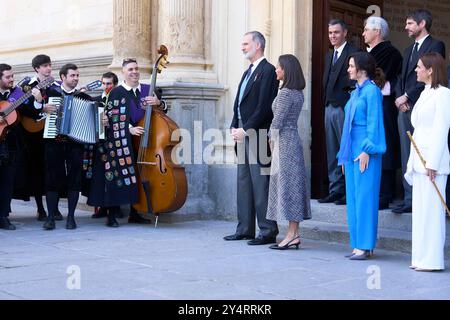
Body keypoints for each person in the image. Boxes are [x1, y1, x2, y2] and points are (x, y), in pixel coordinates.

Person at [87, 59, 164, 227]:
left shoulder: (148, 90)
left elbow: (162, 111)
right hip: (122, 141)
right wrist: (128, 128)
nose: (134, 71)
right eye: (130, 69)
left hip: (146, 141)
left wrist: (158, 103)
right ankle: (112, 215)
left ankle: (135, 213)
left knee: (138, 174)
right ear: (123, 72)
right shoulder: (117, 92)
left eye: (136, 68)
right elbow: (113, 117)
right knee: (118, 176)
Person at [224, 31, 279, 245]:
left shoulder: (268, 70)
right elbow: (240, 103)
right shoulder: (248, 71)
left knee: (260, 183)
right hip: (242, 134)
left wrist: (245, 129)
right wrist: (233, 126)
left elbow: (265, 107)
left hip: (257, 134)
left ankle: (267, 231)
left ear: (258, 45)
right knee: (244, 182)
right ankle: (245, 229)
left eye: (246, 43)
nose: (243, 47)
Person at [394, 9, 446, 214]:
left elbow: (433, 75)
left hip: (423, 104)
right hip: (404, 107)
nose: (406, 27)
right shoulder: (408, 50)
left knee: (422, 150)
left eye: (409, 24)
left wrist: (407, 96)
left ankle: (422, 197)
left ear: (422, 24)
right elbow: (400, 77)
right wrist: (400, 99)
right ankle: (409, 197)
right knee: (407, 152)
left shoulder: (436, 45)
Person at [337, 52, 386, 260]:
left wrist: (367, 149)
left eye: (350, 65)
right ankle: (358, 244)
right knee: (354, 198)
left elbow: (374, 123)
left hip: (366, 149)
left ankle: (365, 246)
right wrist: (344, 154)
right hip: (352, 150)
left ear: (361, 69)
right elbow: (347, 125)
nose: (348, 69)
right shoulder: (355, 92)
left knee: (366, 197)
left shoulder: (372, 91)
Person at [404, 52, 450, 271]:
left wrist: (432, 163)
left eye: (419, 67)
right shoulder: (423, 93)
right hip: (419, 161)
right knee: (421, 213)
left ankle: (432, 260)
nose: (416, 70)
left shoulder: (443, 94)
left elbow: (441, 129)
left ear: (431, 70)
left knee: (432, 212)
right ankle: (420, 258)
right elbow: (419, 128)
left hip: (432, 162)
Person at [266, 54, 311, 250]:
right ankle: (293, 233)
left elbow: (278, 121)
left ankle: (292, 234)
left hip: (284, 142)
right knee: (293, 186)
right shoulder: (297, 93)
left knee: (288, 186)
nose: (276, 70)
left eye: (279, 67)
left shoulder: (285, 94)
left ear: (287, 70)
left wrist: (270, 139)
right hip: (293, 140)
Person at [42, 63, 93, 230]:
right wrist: (43, 108)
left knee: (74, 179)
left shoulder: (84, 98)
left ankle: (71, 217)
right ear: (63, 77)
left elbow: (95, 119)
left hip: (75, 144)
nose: (76, 78)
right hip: (54, 142)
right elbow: (33, 112)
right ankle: (50, 217)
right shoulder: (51, 94)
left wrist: (102, 120)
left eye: (77, 76)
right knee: (52, 179)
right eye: (72, 75)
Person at [363, 16, 403, 210]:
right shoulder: (369, 52)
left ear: (377, 32)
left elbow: (380, 79)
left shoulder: (390, 53)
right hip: (370, 106)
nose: (363, 33)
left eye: (366, 30)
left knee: (383, 145)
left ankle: (385, 193)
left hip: (383, 106)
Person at [18, 54, 63, 221]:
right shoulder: (26, 86)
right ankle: (40, 208)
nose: (48, 68)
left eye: (49, 65)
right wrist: (40, 107)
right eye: (44, 66)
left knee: (53, 170)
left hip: (52, 131)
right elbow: (21, 109)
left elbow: (62, 104)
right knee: (36, 171)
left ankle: (55, 207)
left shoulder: (56, 86)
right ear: (37, 68)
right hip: (33, 134)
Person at [319, 19, 359, 205]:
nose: (332, 36)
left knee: (347, 149)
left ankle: (348, 190)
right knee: (333, 150)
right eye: (330, 33)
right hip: (329, 108)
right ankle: (335, 189)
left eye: (336, 32)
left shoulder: (353, 53)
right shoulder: (329, 56)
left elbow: (355, 82)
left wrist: (346, 102)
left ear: (345, 33)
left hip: (344, 109)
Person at [85, 71, 121, 219]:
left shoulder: (119, 100)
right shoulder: (96, 100)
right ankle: (102, 208)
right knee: (99, 177)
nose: (106, 86)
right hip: (99, 144)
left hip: (115, 144)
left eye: (109, 84)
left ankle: (115, 207)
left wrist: (110, 122)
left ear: (115, 85)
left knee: (115, 177)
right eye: (104, 83)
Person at [0, 64, 26, 230]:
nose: (11, 79)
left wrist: (37, 101)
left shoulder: (18, 94)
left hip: (10, 145)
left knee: (7, 182)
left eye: (12, 76)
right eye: (8, 77)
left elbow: (31, 112)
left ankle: (3, 216)